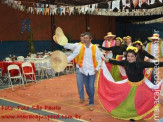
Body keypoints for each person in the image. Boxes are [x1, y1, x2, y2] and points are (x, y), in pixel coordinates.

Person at [97, 46, 163, 120]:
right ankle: (132, 115)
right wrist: (108, 60)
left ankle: (138, 114)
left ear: (136, 56)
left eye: (132, 56)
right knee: (129, 102)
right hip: (129, 85)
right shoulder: (125, 62)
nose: (129, 58)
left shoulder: (141, 63)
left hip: (140, 86)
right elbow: (116, 62)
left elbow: (155, 64)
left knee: (138, 101)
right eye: (128, 56)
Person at [55, 33, 86, 104]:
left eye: (84, 38)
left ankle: (90, 96)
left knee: (88, 85)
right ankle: (81, 97)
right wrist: (59, 42)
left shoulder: (90, 46)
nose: (82, 39)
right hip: (79, 68)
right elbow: (67, 45)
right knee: (79, 83)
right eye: (81, 37)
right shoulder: (77, 45)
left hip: (88, 68)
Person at [75, 32, 102, 111]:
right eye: (84, 38)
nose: (85, 39)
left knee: (91, 86)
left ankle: (91, 102)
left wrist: (97, 69)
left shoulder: (94, 48)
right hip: (83, 71)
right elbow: (73, 52)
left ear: (90, 39)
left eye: (87, 38)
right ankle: (90, 96)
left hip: (92, 71)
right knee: (87, 87)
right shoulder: (80, 47)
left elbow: (99, 59)